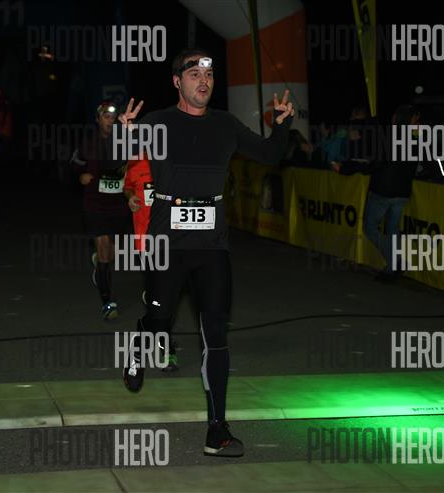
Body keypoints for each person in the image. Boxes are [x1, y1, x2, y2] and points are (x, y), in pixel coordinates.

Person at [117, 48, 293, 457]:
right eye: (194, 73)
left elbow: (270, 154)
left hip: (212, 246)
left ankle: (218, 429)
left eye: (208, 75)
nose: (203, 80)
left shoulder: (225, 124)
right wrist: (122, 133)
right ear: (177, 81)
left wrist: (282, 125)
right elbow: (120, 160)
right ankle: (140, 341)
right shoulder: (158, 122)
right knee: (159, 319)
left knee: (215, 333)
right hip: (167, 242)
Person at [72, 101, 131, 320]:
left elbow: (138, 161)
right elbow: (74, 162)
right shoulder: (88, 142)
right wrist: (80, 175)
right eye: (105, 116)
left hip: (118, 205)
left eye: (113, 117)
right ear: (98, 120)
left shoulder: (124, 142)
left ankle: (99, 264)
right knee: (105, 250)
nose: (110, 120)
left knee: (110, 254)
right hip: (95, 205)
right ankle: (107, 302)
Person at [124, 156, 178, 371]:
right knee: (158, 298)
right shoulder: (135, 161)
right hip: (145, 240)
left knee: (165, 297)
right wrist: (130, 197)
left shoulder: (173, 160)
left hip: (172, 239)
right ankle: (165, 347)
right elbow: (127, 187)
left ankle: (164, 346)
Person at [363, 104, 421, 282]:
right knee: (392, 230)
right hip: (402, 192)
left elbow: (376, 162)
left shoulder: (389, 136)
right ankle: (392, 266)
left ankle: (395, 262)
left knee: (370, 228)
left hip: (383, 190)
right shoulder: (415, 139)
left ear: (396, 118)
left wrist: (354, 167)